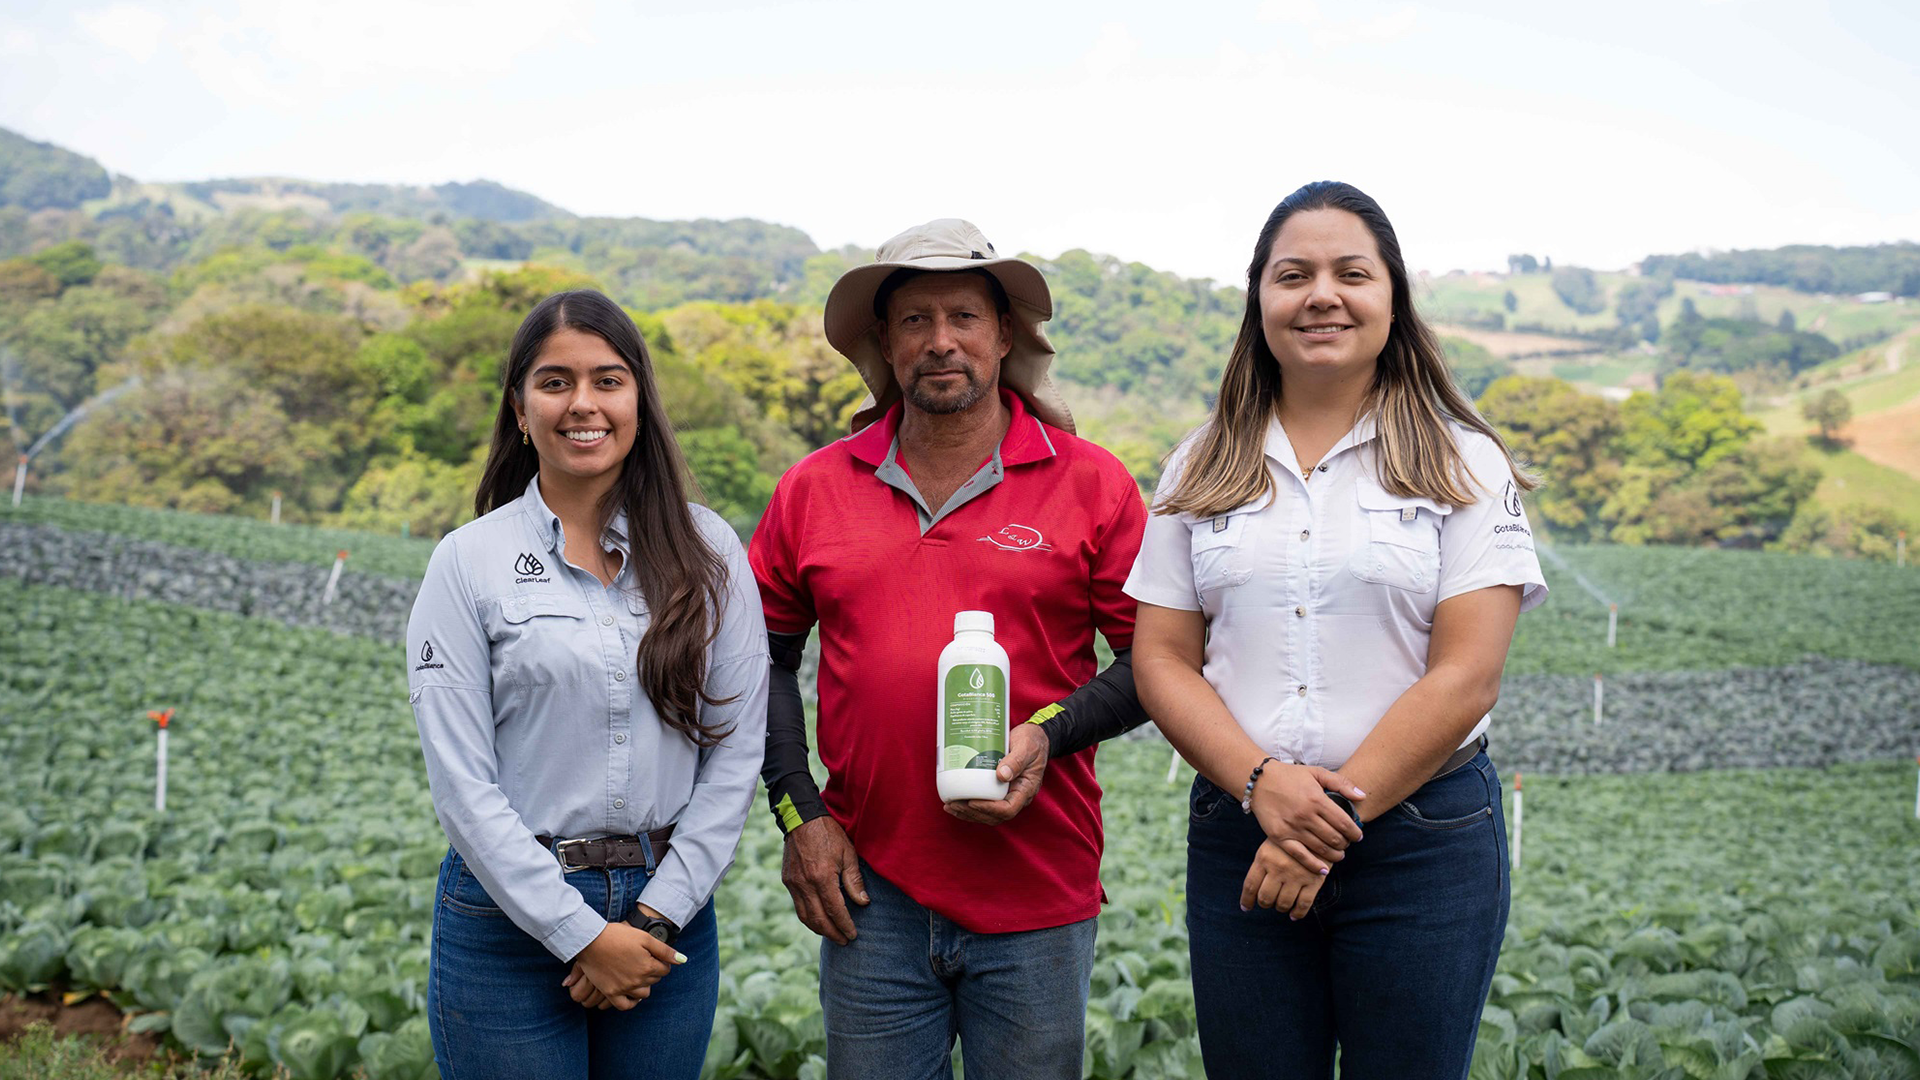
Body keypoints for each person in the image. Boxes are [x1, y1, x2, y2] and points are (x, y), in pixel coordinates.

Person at [1127, 182, 1549, 1079]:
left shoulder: (1463, 461)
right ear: (1260, 300)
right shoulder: (1198, 464)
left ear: (1391, 298)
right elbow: (1161, 659)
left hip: (1422, 846)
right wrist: (1260, 785)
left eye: (1351, 273)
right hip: (1243, 831)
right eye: (1294, 275)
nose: (1322, 294)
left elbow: (1468, 675)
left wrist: (1321, 819)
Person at [749, 219, 1149, 1080]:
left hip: (1037, 889)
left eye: (964, 316)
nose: (941, 342)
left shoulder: (1092, 483)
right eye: (914, 321)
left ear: (1004, 336)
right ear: (883, 345)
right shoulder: (813, 489)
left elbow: (1154, 664)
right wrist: (799, 815)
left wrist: (1048, 733)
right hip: (869, 892)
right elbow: (759, 664)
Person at [406, 289, 768, 1080]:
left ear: (639, 395)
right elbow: (462, 785)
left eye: (608, 380)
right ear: (520, 405)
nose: (583, 404)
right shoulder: (467, 562)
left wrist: (654, 913)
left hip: (668, 918)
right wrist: (579, 933)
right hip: (505, 917)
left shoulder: (707, 548)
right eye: (554, 381)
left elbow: (738, 749)